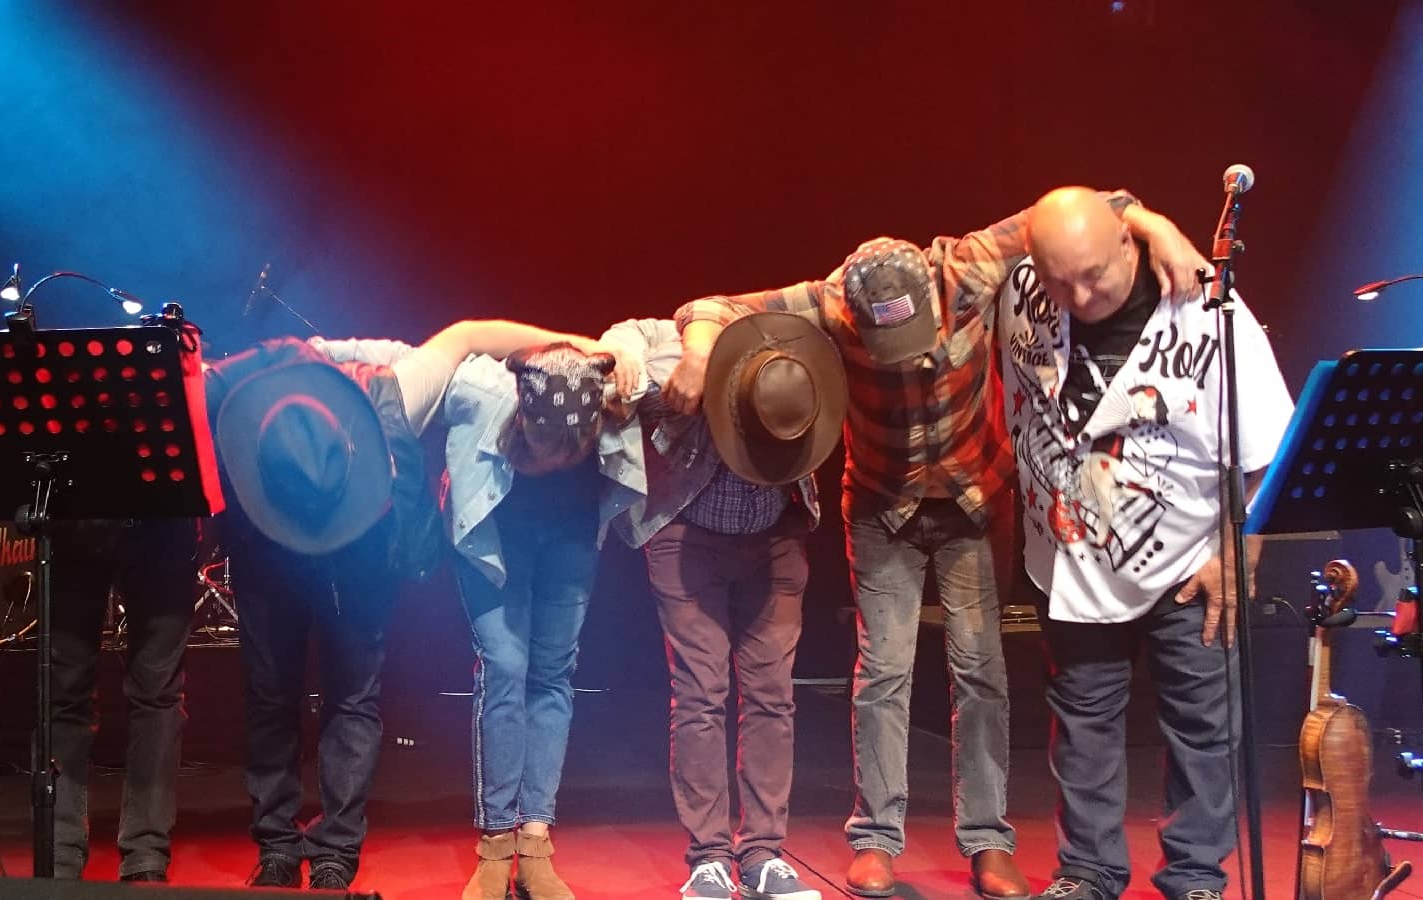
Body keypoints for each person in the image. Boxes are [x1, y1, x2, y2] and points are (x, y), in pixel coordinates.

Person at [662, 197, 1209, 899]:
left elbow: (1097, 206)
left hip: (976, 500)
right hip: (883, 505)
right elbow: (711, 305)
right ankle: (875, 839)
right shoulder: (830, 303)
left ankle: (987, 839)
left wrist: (1158, 228)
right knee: (883, 672)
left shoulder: (969, 265)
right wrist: (703, 348)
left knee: (981, 670)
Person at [208, 319, 608, 893]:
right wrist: (311, 348)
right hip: (269, 543)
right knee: (271, 695)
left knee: (353, 697)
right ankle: (275, 843)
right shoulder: (235, 386)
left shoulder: (398, 388)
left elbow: (469, 332)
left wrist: (583, 348)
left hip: (360, 545)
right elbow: (194, 385)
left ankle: (336, 849)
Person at [997, 187, 1293, 900]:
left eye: (1095, 273)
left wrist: (1238, 542)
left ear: (1128, 246)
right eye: (1060, 279)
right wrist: (1144, 215)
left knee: (1202, 727)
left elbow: (1269, 446)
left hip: (1189, 559)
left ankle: (1195, 874)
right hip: (1072, 558)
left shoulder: (1206, 308)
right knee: (1082, 724)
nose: (1080, 293)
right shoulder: (1021, 290)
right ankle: (1088, 871)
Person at [317, 327, 641, 900]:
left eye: (567, 453)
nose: (548, 462)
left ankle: (536, 842)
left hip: (569, 536)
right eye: (540, 449)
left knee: (552, 674)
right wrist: (316, 352)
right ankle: (495, 843)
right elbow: (399, 357)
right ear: (523, 418)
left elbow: (674, 340)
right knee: (505, 668)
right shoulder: (480, 389)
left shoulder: (609, 399)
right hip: (493, 538)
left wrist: (638, 354)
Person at [603, 313, 844, 900]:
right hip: (689, 538)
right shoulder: (683, 358)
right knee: (701, 693)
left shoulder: (799, 359)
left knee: (771, 696)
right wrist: (625, 361)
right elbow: (627, 337)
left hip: (775, 539)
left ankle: (763, 853)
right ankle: (708, 856)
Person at [50, 517, 200, 883]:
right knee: (69, 693)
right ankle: (61, 854)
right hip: (80, 523)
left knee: (156, 692)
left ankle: (143, 854)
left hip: (162, 520)